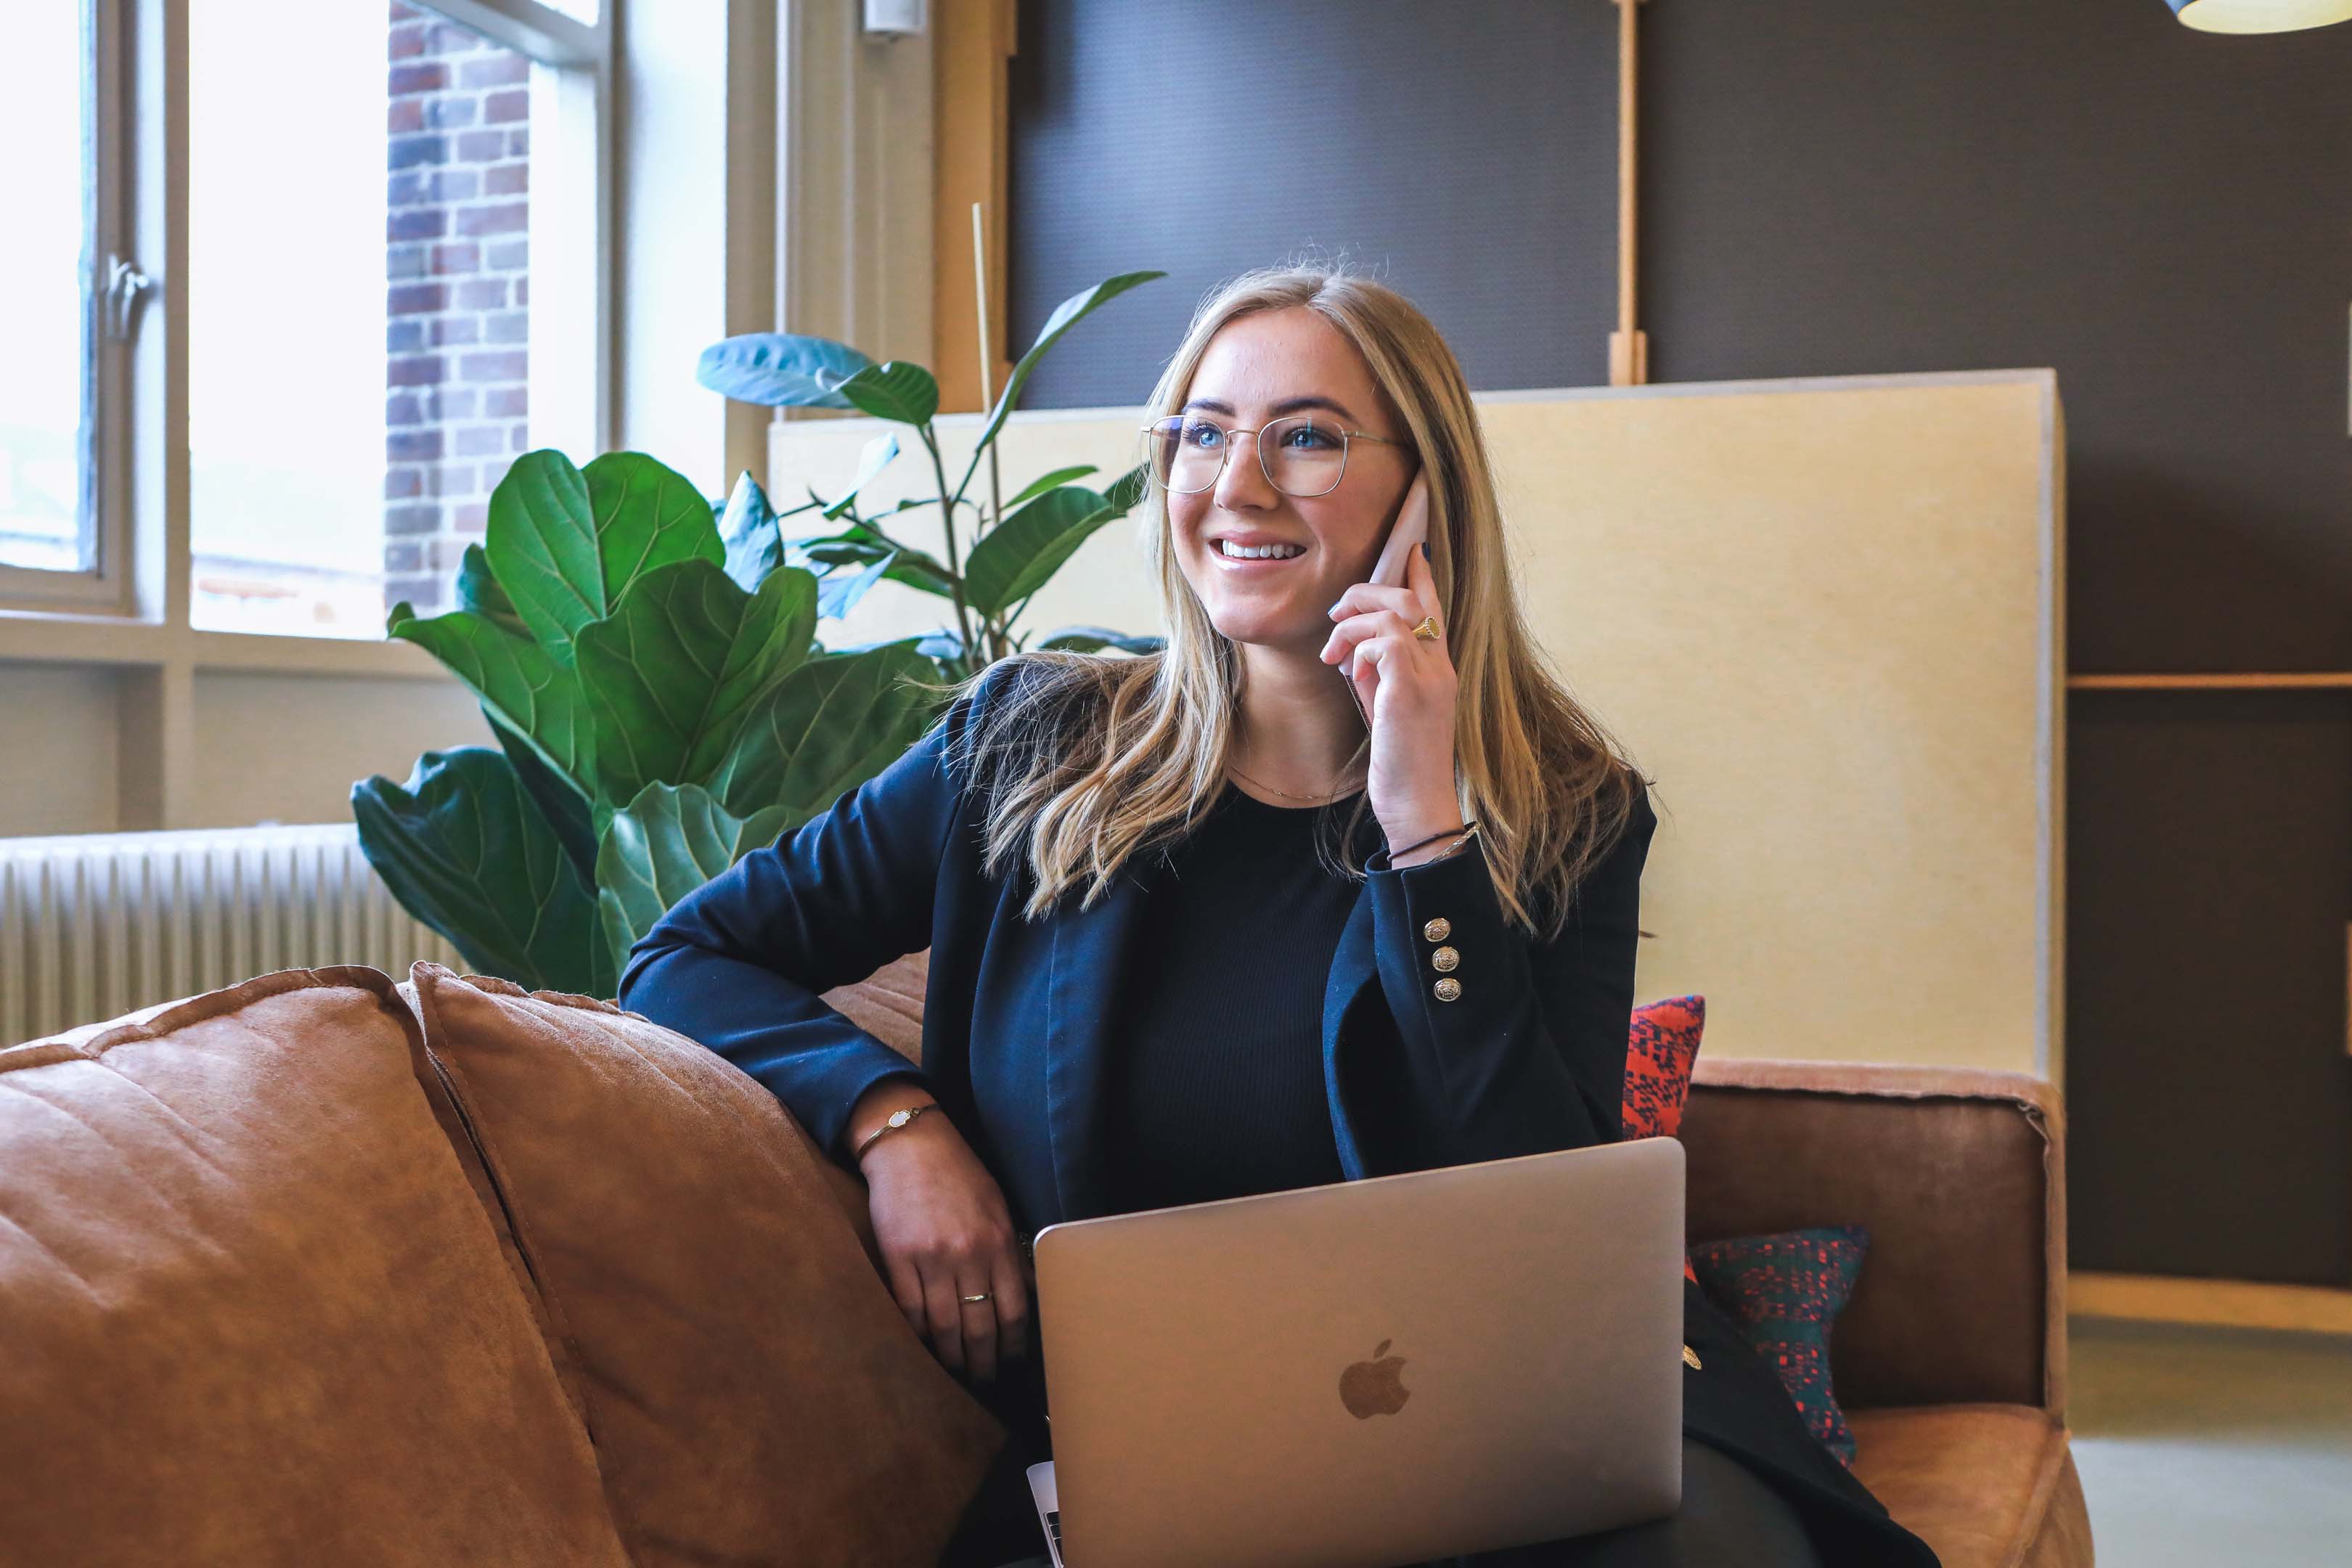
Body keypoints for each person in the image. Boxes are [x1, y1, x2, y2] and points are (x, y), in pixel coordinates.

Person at [617, 264, 1941, 1568]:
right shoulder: (1027, 748)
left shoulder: (1567, 809)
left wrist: (1429, 833)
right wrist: (892, 1124)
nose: (1237, 486)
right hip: (1162, 1459)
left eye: (1304, 438)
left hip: (1513, 1434)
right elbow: (684, 954)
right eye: (1202, 433)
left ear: (1427, 495)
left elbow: (1545, 1208)